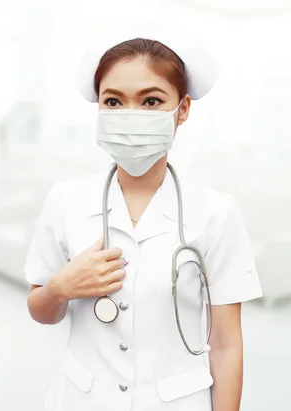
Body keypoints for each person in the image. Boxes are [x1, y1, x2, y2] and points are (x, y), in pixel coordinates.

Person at [24, 32, 263, 411]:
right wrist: (61, 287)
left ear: (182, 110)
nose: (131, 115)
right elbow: (41, 310)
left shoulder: (217, 212)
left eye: (151, 101)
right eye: (114, 101)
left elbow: (227, 345)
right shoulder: (66, 200)